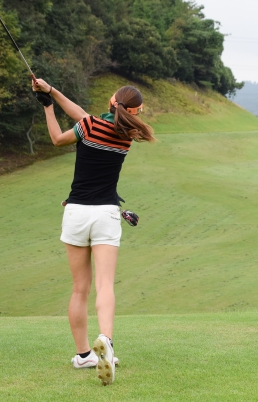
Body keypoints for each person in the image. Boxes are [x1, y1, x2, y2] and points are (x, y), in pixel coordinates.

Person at [32, 78, 155, 386]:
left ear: (112, 103)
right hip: (105, 215)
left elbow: (59, 138)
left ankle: (85, 354)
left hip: (75, 213)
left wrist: (47, 105)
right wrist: (52, 92)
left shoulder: (89, 126)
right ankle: (106, 339)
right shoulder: (128, 133)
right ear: (135, 111)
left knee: (79, 290)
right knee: (105, 285)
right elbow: (82, 114)